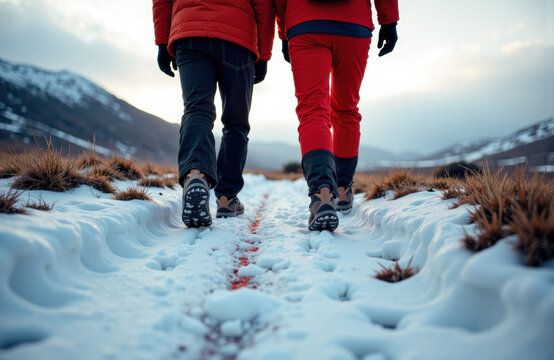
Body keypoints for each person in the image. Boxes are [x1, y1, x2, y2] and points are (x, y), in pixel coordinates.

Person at [275, 0, 399, 231]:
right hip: (354, 25)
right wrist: (388, 21)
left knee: (313, 111)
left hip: (304, 23)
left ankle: (322, 196)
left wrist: (284, 32)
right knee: (346, 110)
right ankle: (342, 190)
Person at [152, 0, 275, 227]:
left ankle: (195, 175)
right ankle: (227, 198)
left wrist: (162, 41)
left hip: (190, 32)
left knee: (197, 109)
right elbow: (265, 4)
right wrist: (264, 53)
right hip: (238, 37)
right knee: (236, 122)